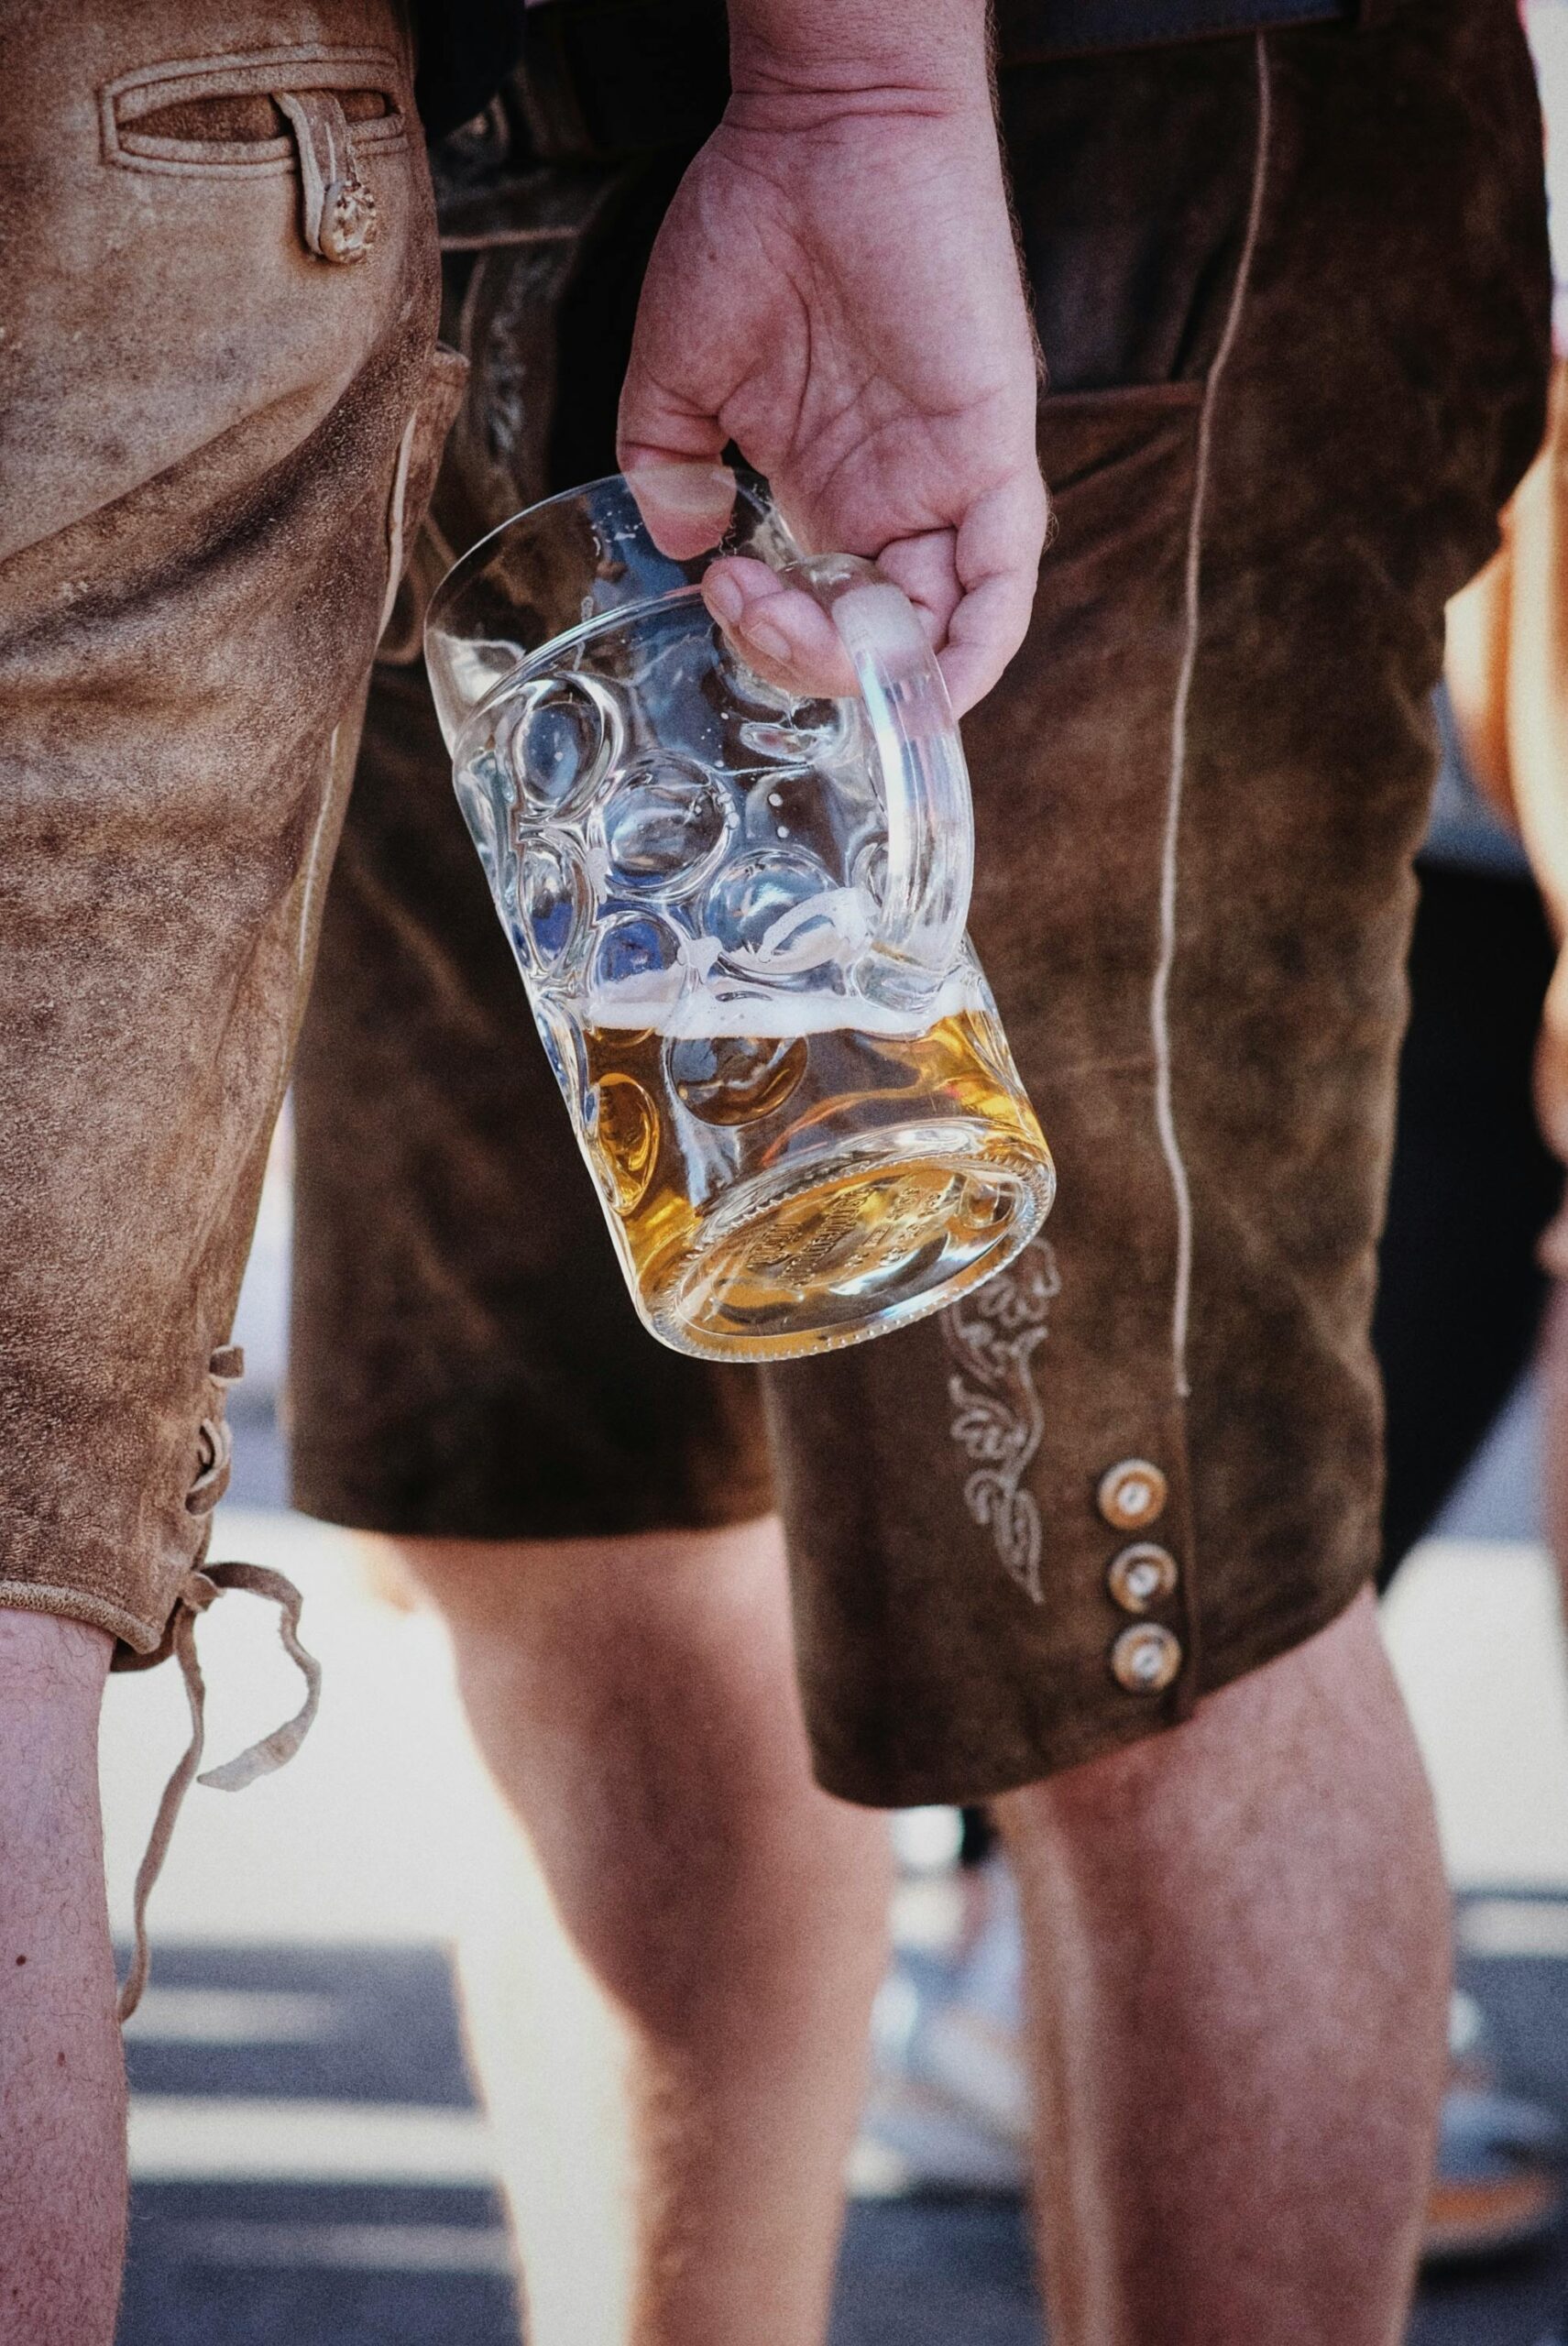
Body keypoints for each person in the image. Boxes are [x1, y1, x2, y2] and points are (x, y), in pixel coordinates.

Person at [0, 8, 1548, 2346]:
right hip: (387, 143)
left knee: (1139, 1602)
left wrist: (854, 90)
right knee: (568, 1529)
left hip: (1056, 134)